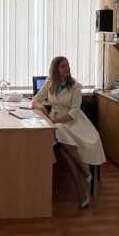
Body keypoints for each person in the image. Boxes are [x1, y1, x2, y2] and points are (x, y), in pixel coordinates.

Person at [32, 56, 106, 208]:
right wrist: (42, 107)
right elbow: (36, 99)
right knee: (62, 147)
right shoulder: (50, 82)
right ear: (55, 69)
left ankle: (83, 180)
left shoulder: (75, 86)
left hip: (74, 123)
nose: (67, 68)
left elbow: (73, 113)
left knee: (59, 133)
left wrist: (54, 121)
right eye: (63, 66)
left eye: (67, 66)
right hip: (57, 122)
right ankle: (83, 177)